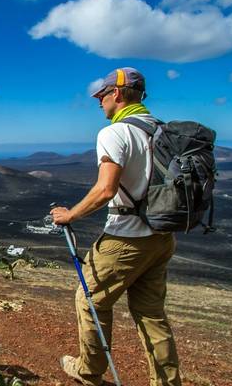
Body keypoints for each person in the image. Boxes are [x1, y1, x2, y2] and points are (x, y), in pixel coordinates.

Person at [50, 67, 181, 386]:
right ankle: (166, 382)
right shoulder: (162, 131)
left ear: (117, 94)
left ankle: (89, 370)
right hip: (162, 236)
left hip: (127, 238)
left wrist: (70, 215)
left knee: (89, 299)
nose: (99, 103)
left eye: (102, 95)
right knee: (151, 315)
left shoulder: (115, 132)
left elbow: (105, 189)